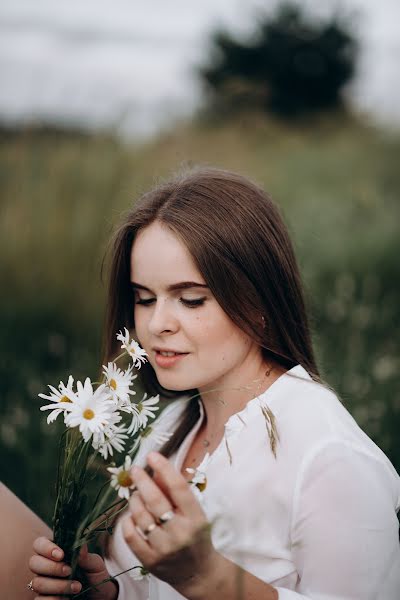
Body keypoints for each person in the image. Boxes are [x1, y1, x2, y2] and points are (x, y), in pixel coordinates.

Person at [27, 168, 400, 599]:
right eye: (144, 298)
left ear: (258, 302)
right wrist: (105, 590)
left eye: (191, 299)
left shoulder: (329, 457)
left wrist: (208, 578)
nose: (156, 324)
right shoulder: (174, 424)